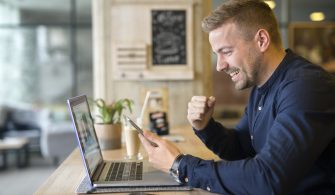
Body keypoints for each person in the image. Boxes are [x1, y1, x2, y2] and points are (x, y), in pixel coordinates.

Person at [139, 0, 335, 194]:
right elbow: (241, 147)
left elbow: (267, 178)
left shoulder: (307, 87)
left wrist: (181, 166)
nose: (220, 65)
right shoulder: (262, 85)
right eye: (217, 54)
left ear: (261, 40)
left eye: (226, 51)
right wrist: (206, 127)